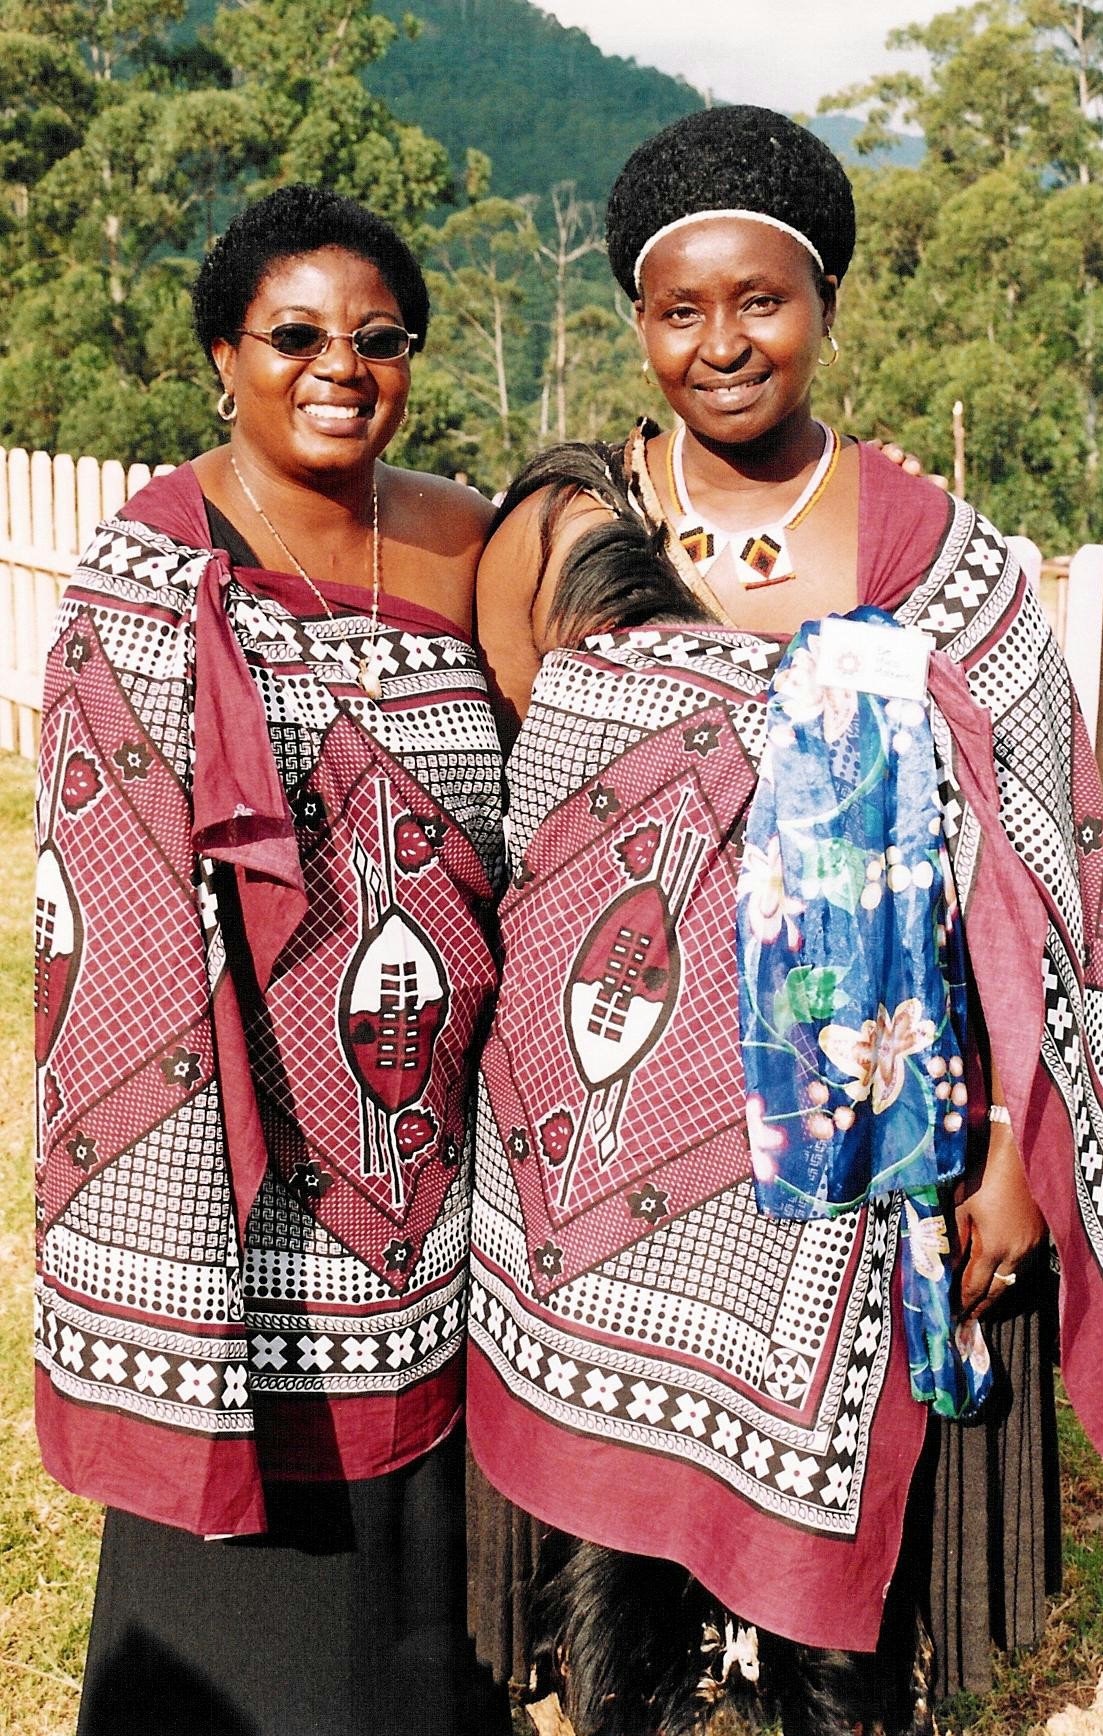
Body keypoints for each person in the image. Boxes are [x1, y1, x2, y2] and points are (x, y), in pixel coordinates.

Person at [465, 107, 1103, 1735]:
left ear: (822, 305)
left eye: (761, 301)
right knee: (617, 1631)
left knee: (844, 1648)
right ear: (638, 323)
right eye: (680, 311)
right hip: (600, 1160)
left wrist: (1012, 1151)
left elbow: (1036, 865)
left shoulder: (941, 563)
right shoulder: (560, 531)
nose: (721, 344)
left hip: (855, 1155)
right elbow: (537, 828)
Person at [32, 184, 511, 1736]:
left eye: (380, 339)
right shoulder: (151, 569)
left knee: (416, 1629)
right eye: (294, 335)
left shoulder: (461, 539)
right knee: (256, 1623)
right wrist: (189, 1228)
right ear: (221, 357)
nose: (340, 367)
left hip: (434, 1179)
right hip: (237, 1178)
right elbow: (104, 910)